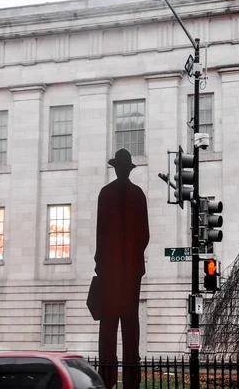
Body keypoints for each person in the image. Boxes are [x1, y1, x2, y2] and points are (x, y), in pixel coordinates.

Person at [93, 148, 150, 389]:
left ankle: (106, 380)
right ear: (129, 170)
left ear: (116, 169)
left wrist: (101, 265)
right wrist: (134, 261)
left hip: (109, 272)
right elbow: (145, 236)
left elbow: (100, 234)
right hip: (130, 273)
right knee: (130, 325)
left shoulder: (105, 194)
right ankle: (131, 382)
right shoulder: (138, 194)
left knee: (107, 328)